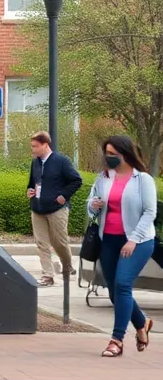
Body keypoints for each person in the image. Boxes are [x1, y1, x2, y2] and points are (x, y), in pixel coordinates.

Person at [85, 136, 157, 358]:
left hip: (138, 241)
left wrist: (133, 239)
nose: (108, 158)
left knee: (123, 284)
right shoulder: (103, 178)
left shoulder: (142, 179)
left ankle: (116, 340)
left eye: (113, 154)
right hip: (108, 239)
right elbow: (90, 205)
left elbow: (150, 212)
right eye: (106, 153)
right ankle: (142, 323)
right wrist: (93, 205)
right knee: (113, 291)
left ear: (125, 154)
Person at [26, 131, 84, 287]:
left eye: (35, 146)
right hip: (37, 208)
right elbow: (32, 182)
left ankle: (67, 266)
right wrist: (30, 190)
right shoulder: (35, 162)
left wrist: (64, 195)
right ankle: (47, 276)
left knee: (59, 242)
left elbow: (76, 180)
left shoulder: (61, 161)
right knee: (41, 243)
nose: (33, 149)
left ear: (45, 145)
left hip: (56, 209)